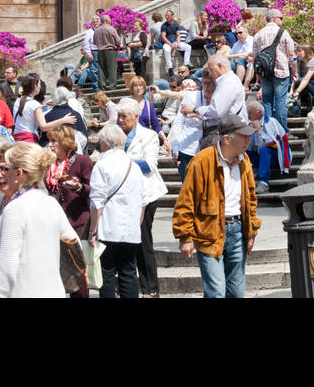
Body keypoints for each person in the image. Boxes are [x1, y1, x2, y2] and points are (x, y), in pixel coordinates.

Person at [172, 115, 260, 298]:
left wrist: (251, 231)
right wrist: (185, 236)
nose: (248, 140)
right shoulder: (202, 161)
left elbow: (251, 198)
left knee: (236, 293)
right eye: (243, 136)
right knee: (216, 292)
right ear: (228, 139)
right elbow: (186, 200)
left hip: (238, 232)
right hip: (209, 232)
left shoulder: (244, 161)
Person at [0, 143, 79, 298]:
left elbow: (6, 272)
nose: (1, 174)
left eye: (6, 168)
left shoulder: (15, 209)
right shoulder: (51, 203)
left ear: (18, 173)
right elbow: (75, 245)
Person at [116, 97, 167, 297]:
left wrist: (121, 162)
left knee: (143, 242)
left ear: (136, 116)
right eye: (118, 116)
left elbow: (149, 165)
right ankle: (125, 286)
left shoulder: (149, 136)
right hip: (121, 197)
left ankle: (150, 288)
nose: (120, 120)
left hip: (145, 195)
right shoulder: (115, 135)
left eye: (124, 117)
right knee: (121, 242)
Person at [88, 123, 144, 298]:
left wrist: (92, 231)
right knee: (128, 273)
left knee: (107, 273)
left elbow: (97, 202)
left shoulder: (102, 165)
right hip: (130, 230)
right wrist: (136, 224)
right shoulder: (134, 166)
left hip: (108, 229)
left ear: (105, 143)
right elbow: (143, 201)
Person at [45, 126, 92, 297]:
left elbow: (93, 191)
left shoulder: (82, 161)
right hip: (52, 223)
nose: (50, 145)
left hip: (75, 222)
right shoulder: (48, 164)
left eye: (54, 141)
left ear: (65, 142)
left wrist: (79, 187)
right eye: (49, 141)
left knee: (77, 272)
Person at [250, 8, 297, 131]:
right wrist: (295, 71)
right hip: (281, 71)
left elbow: (255, 58)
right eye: (281, 18)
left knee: (267, 103)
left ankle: (269, 130)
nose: (282, 21)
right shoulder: (283, 33)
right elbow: (292, 55)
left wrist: (258, 77)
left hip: (265, 73)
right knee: (281, 102)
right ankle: (282, 131)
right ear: (274, 18)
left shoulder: (258, 35)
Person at [12, 74, 78, 145]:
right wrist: (63, 120)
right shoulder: (34, 104)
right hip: (29, 140)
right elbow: (43, 127)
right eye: (39, 84)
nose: (40, 86)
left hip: (16, 139)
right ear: (35, 86)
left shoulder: (17, 101)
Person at [44, 86, 90, 153]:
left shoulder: (48, 116)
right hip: (74, 153)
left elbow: (44, 141)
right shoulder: (75, 115)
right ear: (67, 98)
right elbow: (83, 139)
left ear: (53, 100)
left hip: (53, 155)